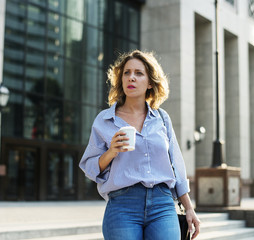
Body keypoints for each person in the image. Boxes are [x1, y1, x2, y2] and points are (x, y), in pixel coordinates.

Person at [79, 50, 201, 240]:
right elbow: (90, 168)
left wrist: (189, 209)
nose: (131, 78)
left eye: (138, 73)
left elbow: (177, 165)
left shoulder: (161, 118)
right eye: (126, 73)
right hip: (122, 205)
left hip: (163, 204)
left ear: (150, 82)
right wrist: (111, 151)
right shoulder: (104, 120)